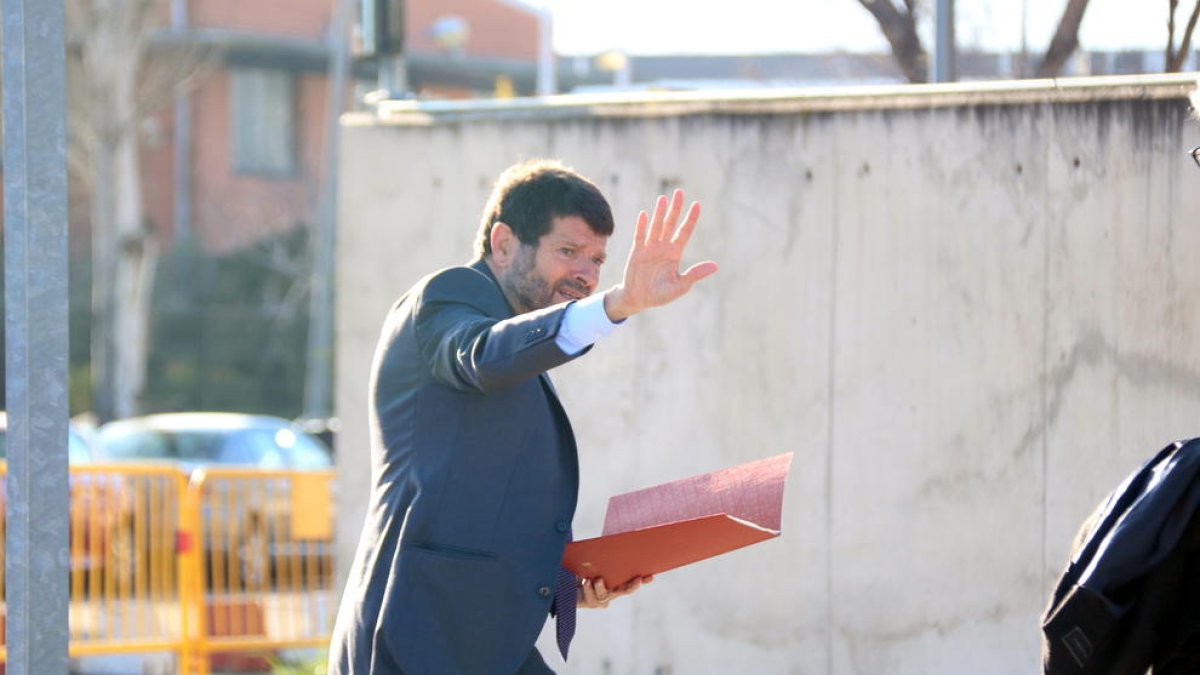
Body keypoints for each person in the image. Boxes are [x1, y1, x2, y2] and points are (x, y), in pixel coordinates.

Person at [328, 159, 718, 675]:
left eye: (599, 260)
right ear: (505, 243)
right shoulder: (448, 298)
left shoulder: (521, 344)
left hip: (483, 640)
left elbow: (478, 505)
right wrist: (617, 304)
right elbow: (482, 355)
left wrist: (564, 584)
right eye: (568, 251)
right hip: (417, 638)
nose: (586, 273)